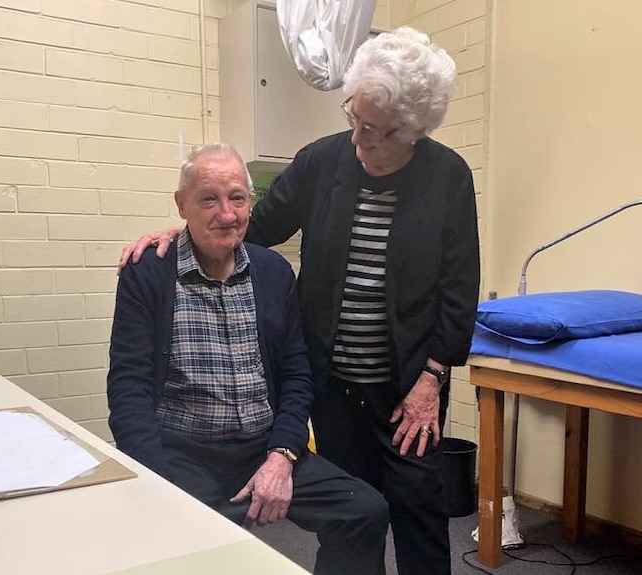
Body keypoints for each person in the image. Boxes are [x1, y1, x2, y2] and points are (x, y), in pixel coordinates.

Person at [120, 27, 480, 575]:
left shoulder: (447, 176)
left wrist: (432, 378)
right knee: (357, 511)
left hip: (411, 385)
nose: (359, 137)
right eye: (353, 117)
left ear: (411, 130)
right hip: (332, 382)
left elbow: (459, 286)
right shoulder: (321, 162)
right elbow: (248, 226)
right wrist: (184, 230)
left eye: (376, 130)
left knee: (419, 507)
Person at [108, 144, 391, 575]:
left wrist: (282, 455)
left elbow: (298, 375)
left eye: (237, 198)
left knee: (364, 511)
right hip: (182, 452)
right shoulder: (147, 272)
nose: (226, 213)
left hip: (263, 447)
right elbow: (128, 388)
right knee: (213, 549)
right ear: (181, 204)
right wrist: (156, 478)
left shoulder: (273, 272)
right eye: (209, 198)